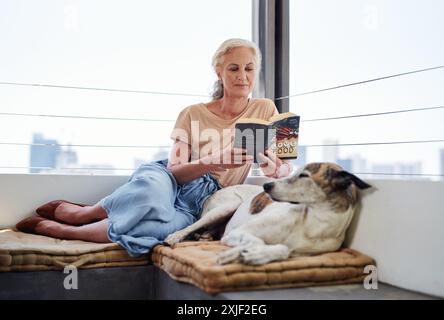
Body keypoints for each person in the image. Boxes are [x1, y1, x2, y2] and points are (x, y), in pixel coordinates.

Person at [15, 38, 293, 257]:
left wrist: (276, 168)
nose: (242, 76)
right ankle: (85, 214)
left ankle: (67, 231)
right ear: (219, 71)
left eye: (249, 68)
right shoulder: (192, 113)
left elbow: (286, 166)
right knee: (150, 195)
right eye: (233, 68)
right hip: (172, 177)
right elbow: (175, 170)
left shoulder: (265, 108)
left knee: (156, 228)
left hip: (202, 199)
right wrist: (212, 160)